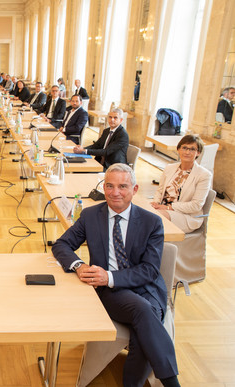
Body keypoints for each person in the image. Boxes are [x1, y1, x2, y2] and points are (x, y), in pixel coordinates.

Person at [52, 163, 181, 387]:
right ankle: (172, 382)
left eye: (123, 186)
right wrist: (79, 266)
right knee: (143, 310)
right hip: (112, 293)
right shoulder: (91, 215)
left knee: (144, 322)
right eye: (109, 186)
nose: (115, 192)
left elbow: (150, 270)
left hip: (147, 287)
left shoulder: (152, 222)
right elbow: (62, 245)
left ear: (135, 189)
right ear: (103, 188)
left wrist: (109, 277)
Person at [150, 135, 212, 233]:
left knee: (153, 218)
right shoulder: (169, 168)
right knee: (137, 212)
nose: (187, 152)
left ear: (198, 153)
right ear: (178, 149)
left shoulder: (204, 175)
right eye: (184, 148)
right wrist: (156, 203)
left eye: (192, 149)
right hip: (162, 208)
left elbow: (196, 205)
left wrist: (168, 208)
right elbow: (160, 190)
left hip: (186, 216)